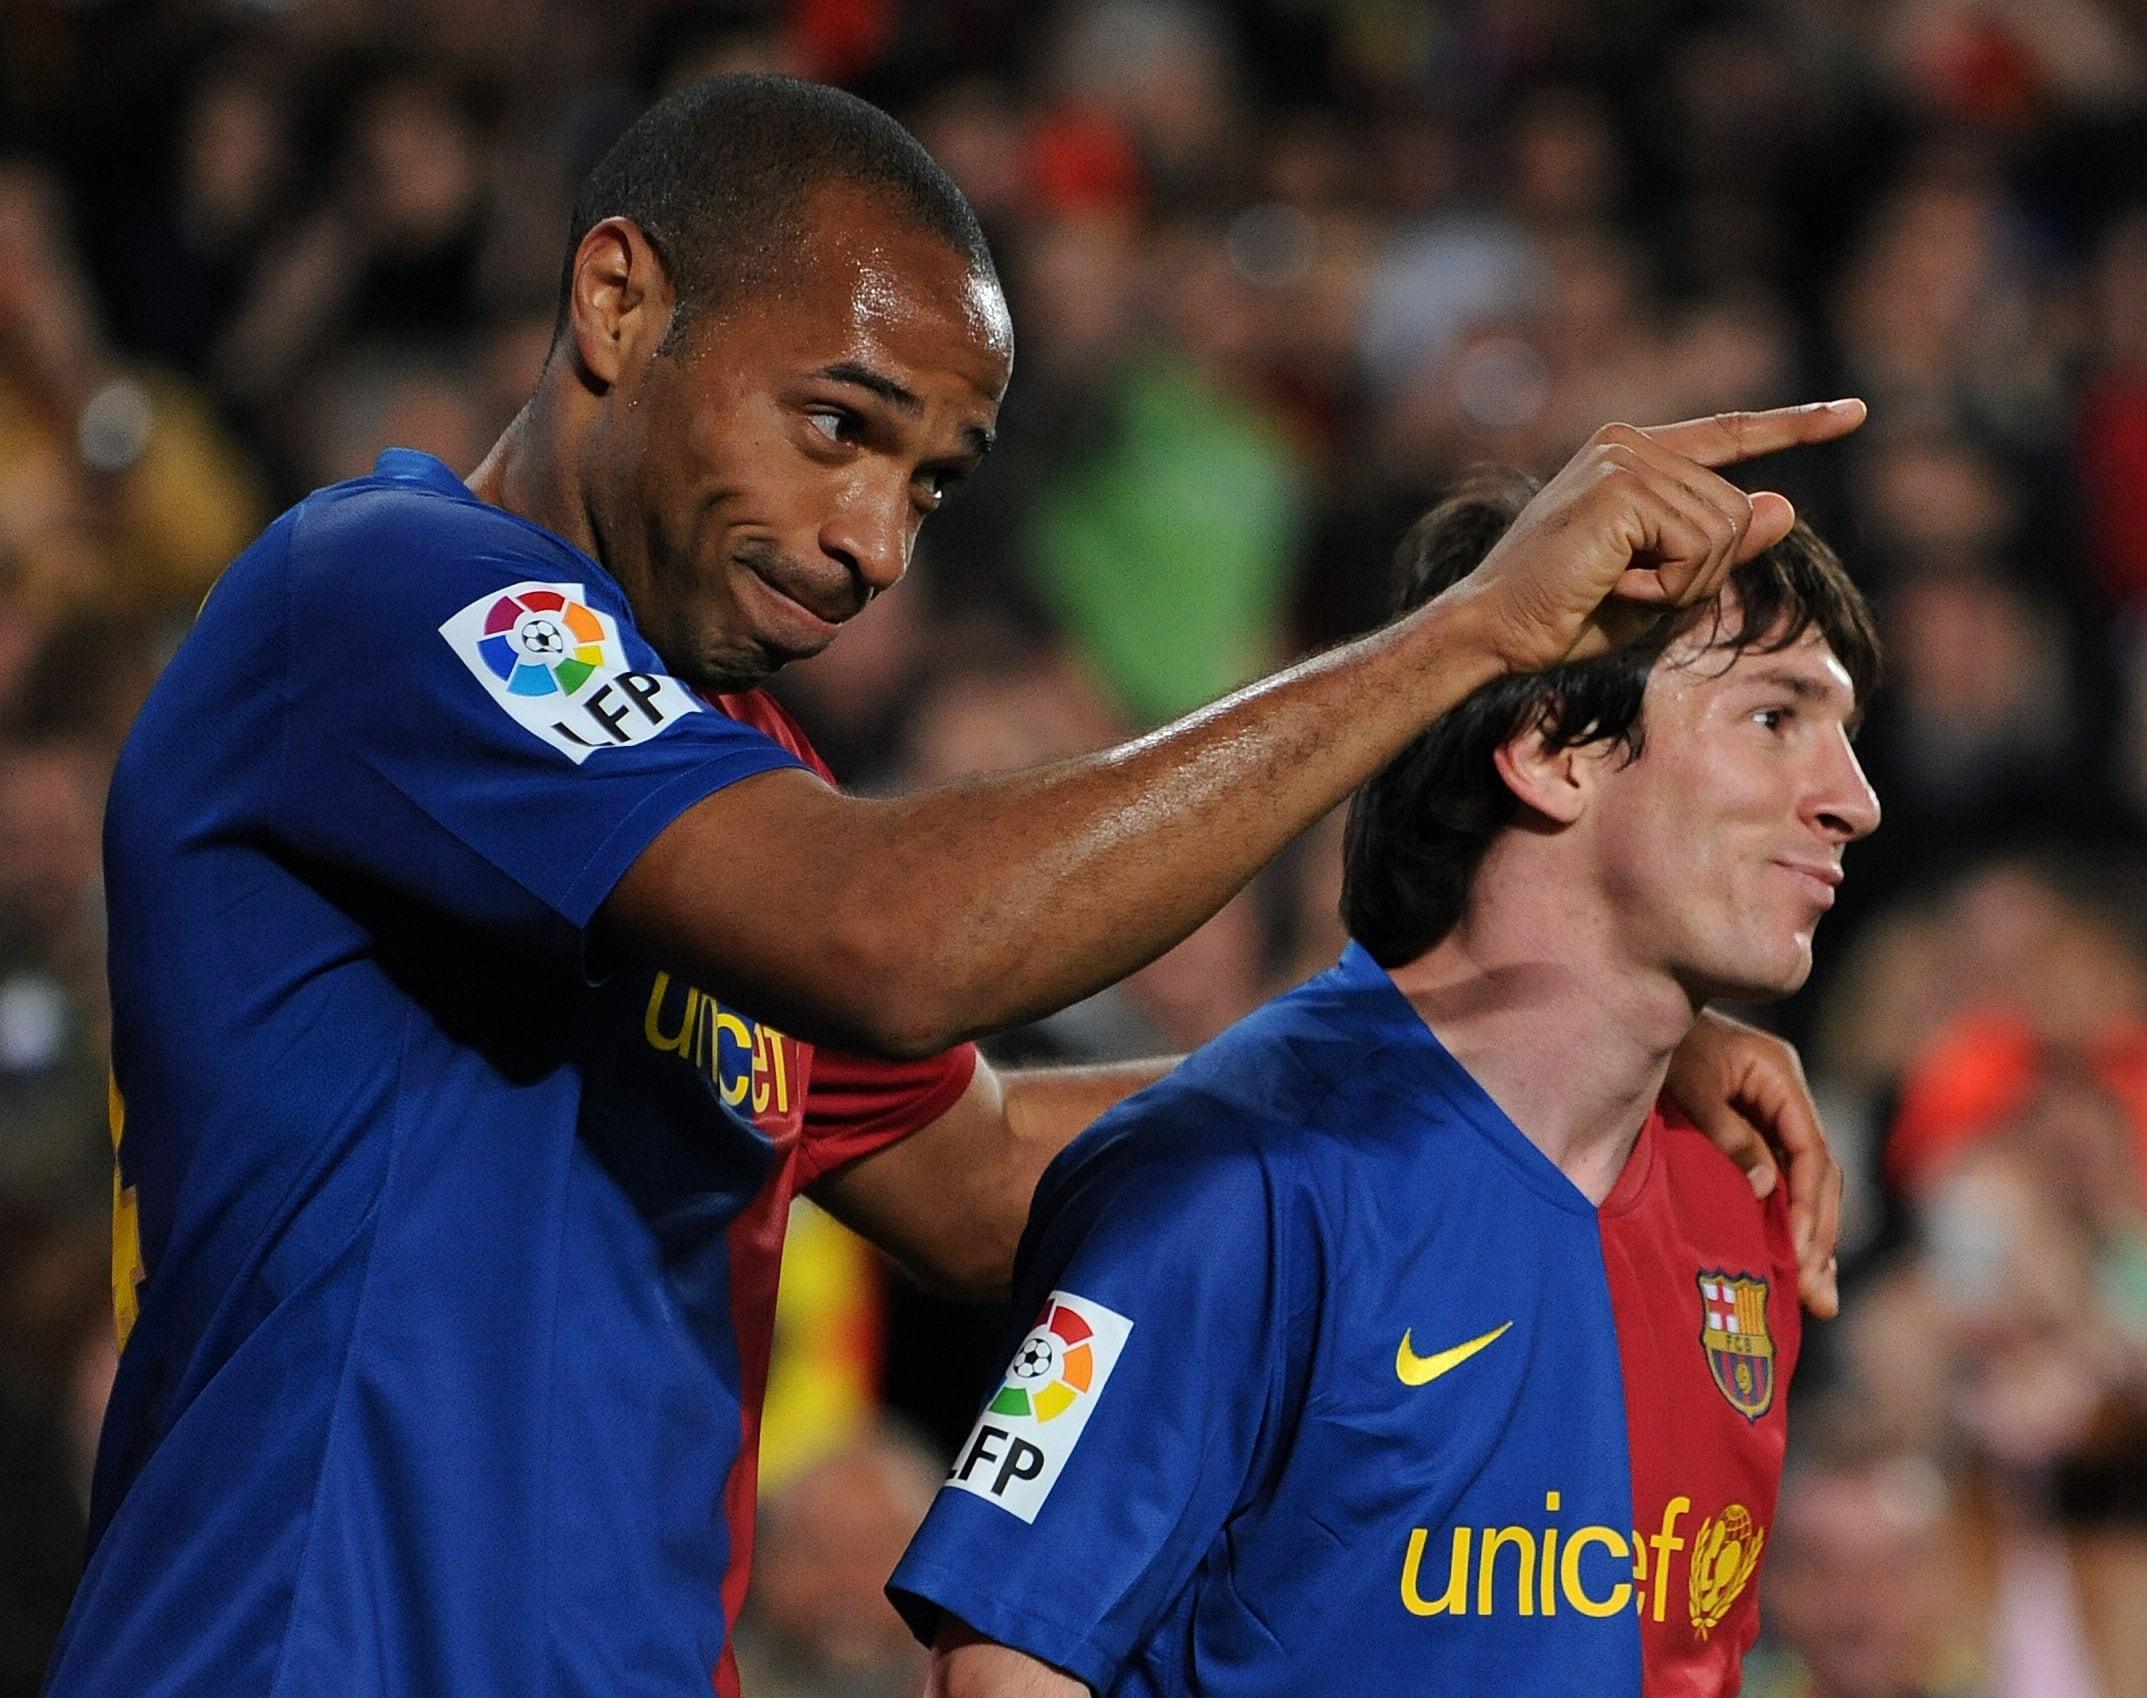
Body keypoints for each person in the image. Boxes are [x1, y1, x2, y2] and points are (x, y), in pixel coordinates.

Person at [50, 76, 1859, 1698]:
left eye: (930, 484)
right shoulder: (387, 599)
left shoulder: (735, 781)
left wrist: (1536, 1053)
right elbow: (890, 942)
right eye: (837, 425)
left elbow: (999, 1171)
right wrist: (1465, 639)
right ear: (617, 302)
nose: (871, 544)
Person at [889, 481, 1882, 1697]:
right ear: (1553, 748)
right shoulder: (1227, 1179)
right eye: (1774, 718)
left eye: (1842, 733)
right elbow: (1003, 1668)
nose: (1852, 799)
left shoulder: (1739, 1200)